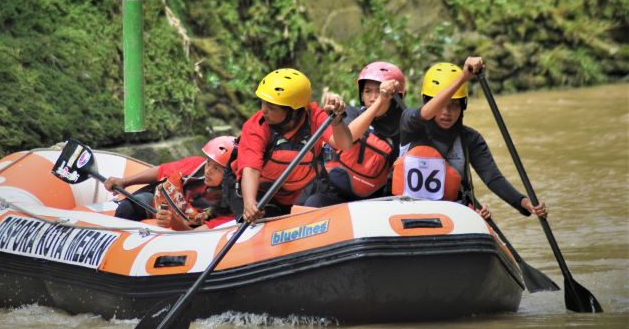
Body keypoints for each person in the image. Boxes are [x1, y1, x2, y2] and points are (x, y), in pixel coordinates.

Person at [392, 57, 548, 219]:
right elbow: (423, 115)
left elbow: (493, 178)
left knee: (483, 217)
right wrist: (464, 78)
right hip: (407, 212)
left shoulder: (470, 138)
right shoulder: (409, 123)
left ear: (463, 105)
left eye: (454, 105)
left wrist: (524, 203)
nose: (447, 112)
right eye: (442, 105)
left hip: (453, 215)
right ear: (427, 102)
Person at [223, 68, 352, 223]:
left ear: (293, 110)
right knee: (269, 217)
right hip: (255, 190)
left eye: (272, 107)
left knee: (316, 207)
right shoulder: (256, 126)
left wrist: (337, 120)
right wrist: (250, 203)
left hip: (294, 190)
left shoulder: (315, 116)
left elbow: (344, 144)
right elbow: (250, 169)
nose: (264, 110)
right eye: (263, 103)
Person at [303, 61, 406, 207]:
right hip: (333, 196)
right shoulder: (352, 113)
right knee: (313, 202)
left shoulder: (403, 129)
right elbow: (349, 137)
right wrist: (381, 100)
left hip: (373, 203)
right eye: (368, 91)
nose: (373, 97)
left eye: (379, 91)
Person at [104, 136, 237, 229]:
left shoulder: (231, 206)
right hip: (158, 204)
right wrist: (124, 182)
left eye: (217, 168)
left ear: (230, 175)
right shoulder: (196, 165)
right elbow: (160, 171)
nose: (208, 171)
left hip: (183, 228)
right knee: (126, 209)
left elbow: (195, 235)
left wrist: (175, 223)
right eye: (209, 162)